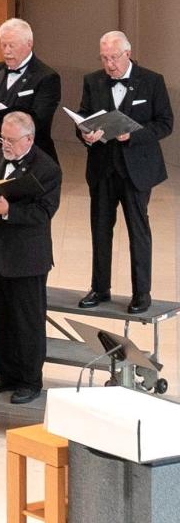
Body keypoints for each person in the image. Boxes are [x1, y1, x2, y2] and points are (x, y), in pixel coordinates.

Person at [76, 31, 173, 315]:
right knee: (100, 229)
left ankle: (142, 292)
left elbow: (165, 124)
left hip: (137, 169)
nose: (109, 64)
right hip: (102, 168)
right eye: (104, 58)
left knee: (138, 230)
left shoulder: (152, 81)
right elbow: (82, 117)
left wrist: (132, 135)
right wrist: (86, 135)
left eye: (114, 58)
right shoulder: (92, 81)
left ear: (127, 54)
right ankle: (100, 287)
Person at [0, 112, 61, 404]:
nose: (4, 144)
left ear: (29, 139)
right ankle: (5, 373)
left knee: (27, 321)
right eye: (2, 138)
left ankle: (30, 380)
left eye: (10, 140)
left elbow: (44, 212)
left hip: (26, 257)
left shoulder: (47, 168)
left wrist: (9, 211)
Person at [0, 18, 60, 171]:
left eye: (12, 45)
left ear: (29, 44)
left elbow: (39, 119)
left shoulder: (47, 77)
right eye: (3, 45)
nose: (6, 51)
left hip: (28, 160)